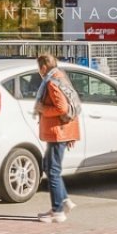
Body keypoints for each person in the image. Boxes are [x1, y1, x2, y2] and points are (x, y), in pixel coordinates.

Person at [33, 52, 81, 223]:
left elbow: (62, 108)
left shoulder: (52, 82)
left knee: (53, 170)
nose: (39, 71)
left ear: (43, 67)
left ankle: (57, 211)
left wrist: (43, 109)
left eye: (39, 68)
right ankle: (64, 200)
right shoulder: (60, 77)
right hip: (62, 130)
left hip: (57, 132)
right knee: (48, 166)